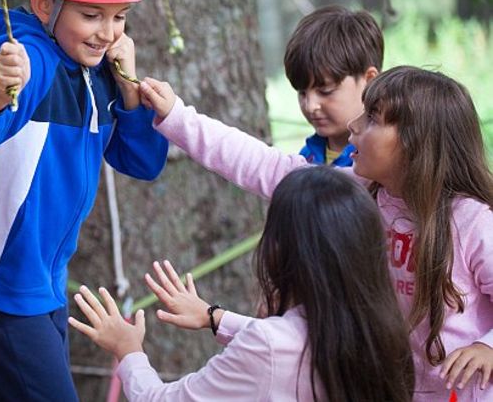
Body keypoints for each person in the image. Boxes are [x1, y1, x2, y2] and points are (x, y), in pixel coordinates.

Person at [137, 66, 493, 400]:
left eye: (372, 118)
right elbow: (261, 164)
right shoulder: (355, 194)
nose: (353, 125)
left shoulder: (473, 222)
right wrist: (177, 117)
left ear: (416, 143)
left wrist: (488, 347)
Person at [0, 0, 169, 401]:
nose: (108, 32)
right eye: (92, 14)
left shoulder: (96, 68)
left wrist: (129, 86)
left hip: (43, 279)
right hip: (0, 283)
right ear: (44, 3)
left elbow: (143, 162)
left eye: (120, 16)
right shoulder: (32, 57)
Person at [70, 167, 415, 401]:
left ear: (283, 249)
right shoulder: (380, 331)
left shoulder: (269, 345)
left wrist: (128, 351)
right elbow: (304, 345)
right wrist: (215, 317)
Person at [284, 5, 382, 166]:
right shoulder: (305, 158)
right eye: (302, 93)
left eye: (325, 91)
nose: (310, 106)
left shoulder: (381, 164)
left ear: (369, 81)